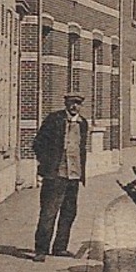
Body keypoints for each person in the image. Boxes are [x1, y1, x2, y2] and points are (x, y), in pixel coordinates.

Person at [31, 93, 90, 261]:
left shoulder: (83, 123)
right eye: (72, 103)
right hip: (55, 175)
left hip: (74, 176)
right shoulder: (54, 120)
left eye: (78, 103)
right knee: (49, 212)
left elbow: (81, 148)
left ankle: (60, 247)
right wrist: (47, 164)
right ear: (66, 103)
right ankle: (41, 250)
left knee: (69, 212)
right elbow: (38, 143)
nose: (74, 106)